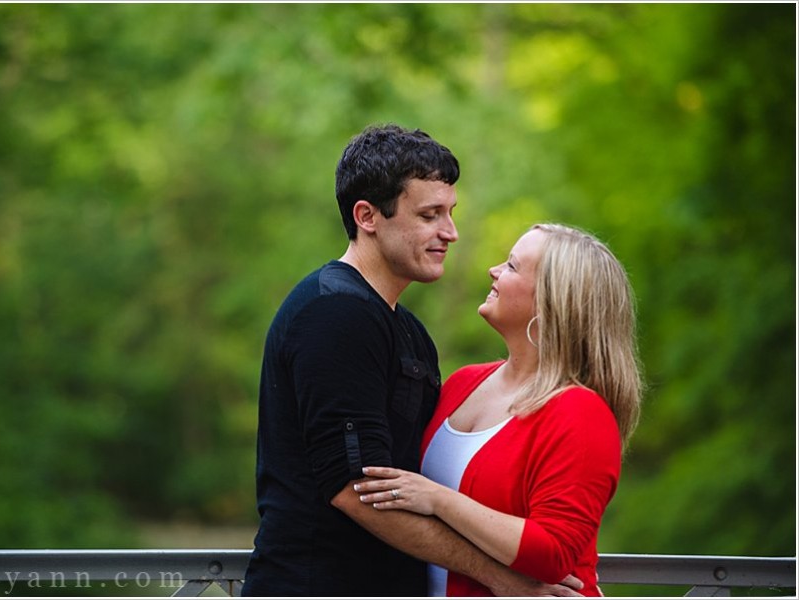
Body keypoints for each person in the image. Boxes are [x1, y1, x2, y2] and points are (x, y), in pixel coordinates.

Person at [242, 127, 583, 597]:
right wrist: (502, 579)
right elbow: (358, 492)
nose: (450, 232)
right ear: (367, 216)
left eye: (450, 213)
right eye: (429, 215)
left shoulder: (409, 332)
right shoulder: (334, 314)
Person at [355, 223, 643, 597]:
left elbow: (553, 553)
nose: (494, 271)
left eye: (511, 266)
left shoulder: (580, 411)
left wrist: (439, 500)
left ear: (551, 301)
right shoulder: (462, 384)